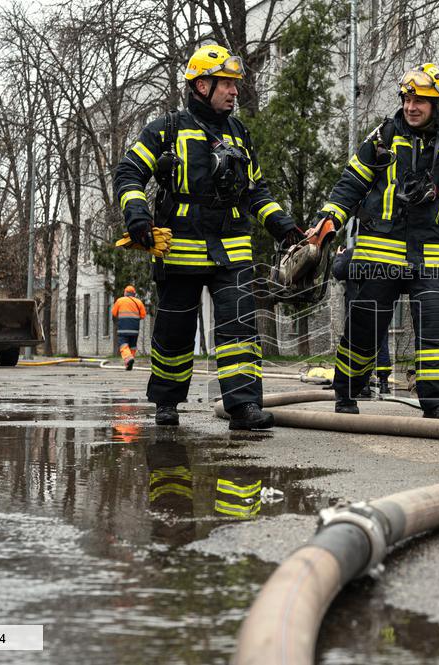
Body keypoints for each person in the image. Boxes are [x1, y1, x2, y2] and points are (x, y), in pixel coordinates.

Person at [114, 44, 302, 428]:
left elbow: (256, 192)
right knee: (175, 331)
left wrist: (283, 226)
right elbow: (129, 172)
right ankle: (166, 403)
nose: (234, 92)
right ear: (202, 85)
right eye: (226, 84)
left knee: (239, 328)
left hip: (231, 249)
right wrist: (136, 212)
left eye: (235, 85)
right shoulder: (166, 129)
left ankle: (243, 406)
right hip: (179, 248)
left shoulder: (239, 133)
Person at [317, 63, 439, 418]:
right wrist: (330, 219)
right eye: (407, 99)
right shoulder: (383, 137)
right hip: (379, 252)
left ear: (437, 105)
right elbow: (351, 183)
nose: (412, 107)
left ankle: (438, 402)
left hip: (429, 254)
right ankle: (347, 394)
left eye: (421, 101)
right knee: (365, 328)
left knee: (437, 328)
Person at [332, 246, 391, 395]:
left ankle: (363, 385)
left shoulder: (351, 253)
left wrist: (339, 256)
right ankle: (384, 383)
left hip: (356, 305)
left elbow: (338, 272)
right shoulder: (381, 253)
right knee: (381, 340)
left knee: (358, 344)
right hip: (379, 304)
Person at [112, 285, 147, 370]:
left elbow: (114, 313)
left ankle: (129, 359)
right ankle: (128, 365)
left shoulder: (119, 301)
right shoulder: (138, 302)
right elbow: (143, 315)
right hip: (135, 329)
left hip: (123, 328)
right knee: (132, 346)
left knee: (123, 345)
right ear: (134, 294)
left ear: (125, 293)